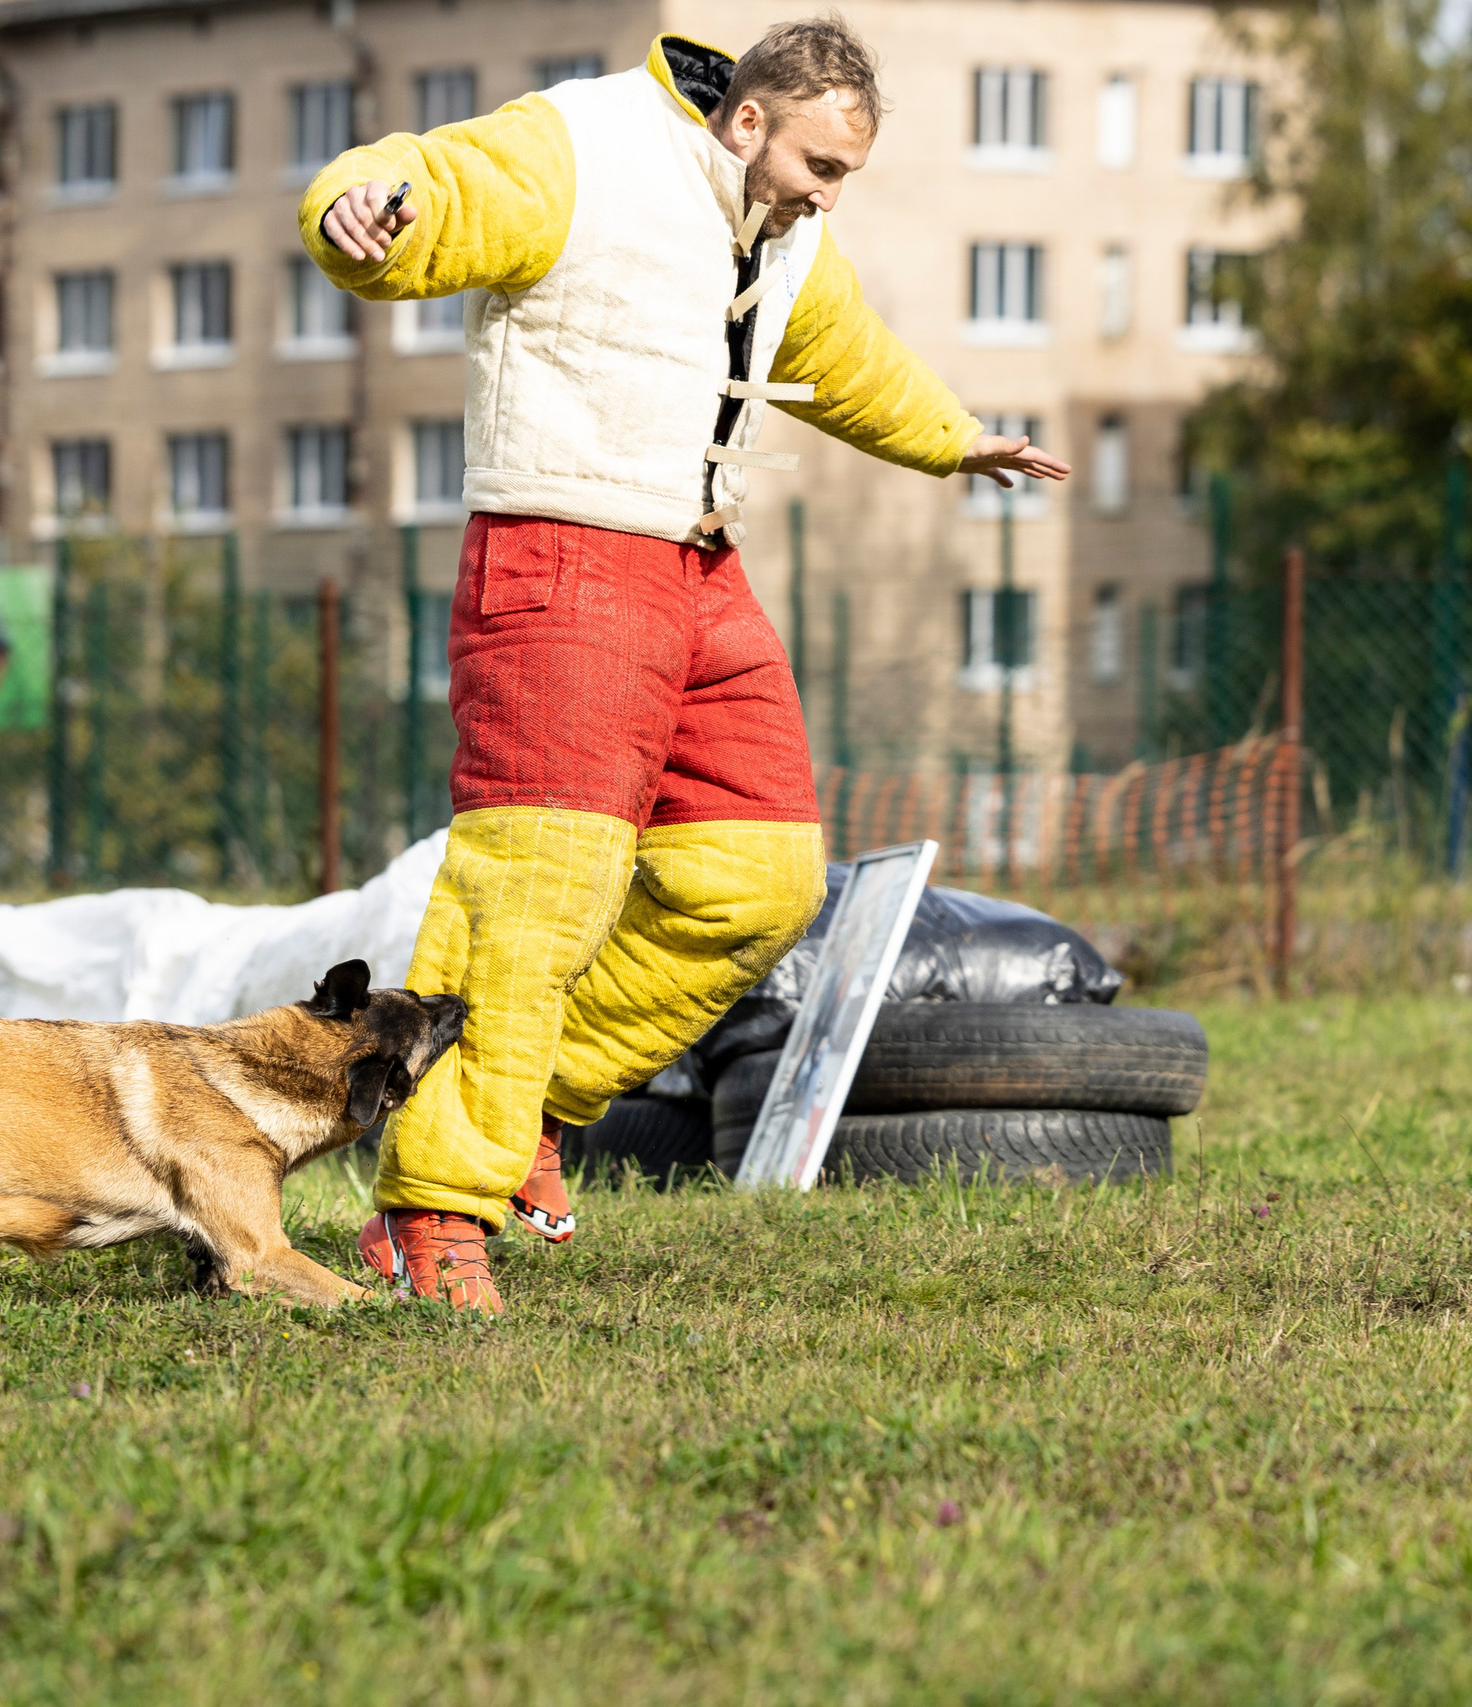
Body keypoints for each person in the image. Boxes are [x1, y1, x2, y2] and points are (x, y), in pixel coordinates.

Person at [301, 16, 1070, 1309]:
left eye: (848, 178)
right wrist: (357, 212)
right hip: (561, 555)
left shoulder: (786, 227)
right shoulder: (585, 146)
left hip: (698, 571)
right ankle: (428, 1207)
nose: (833, 196)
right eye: (823, 167)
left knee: (756, 878)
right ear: (752, 120)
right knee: (534, 896)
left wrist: (953, 440)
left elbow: (843, 355)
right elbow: (430, 183)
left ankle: (528, 1097)